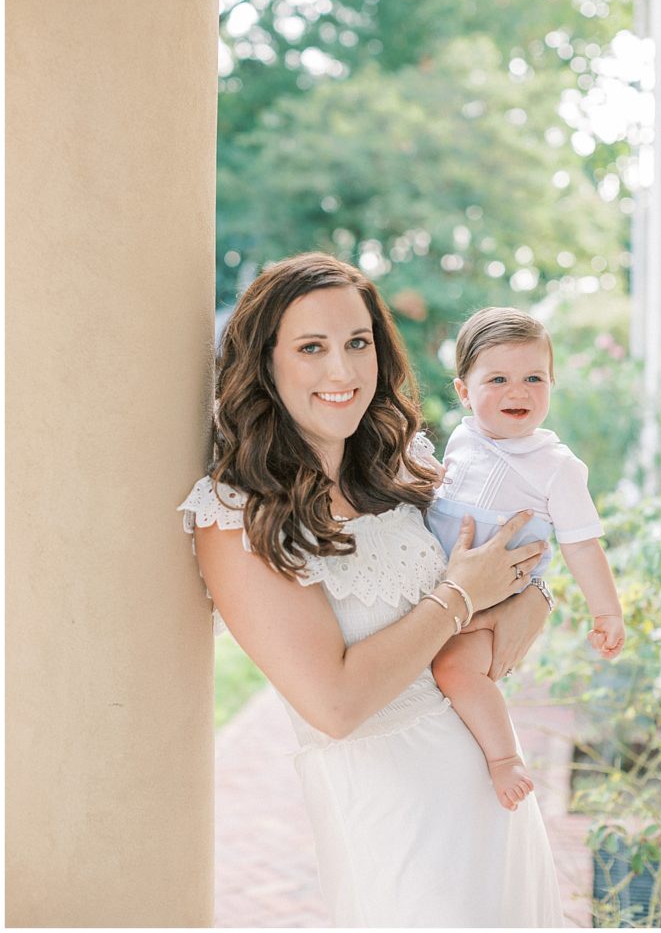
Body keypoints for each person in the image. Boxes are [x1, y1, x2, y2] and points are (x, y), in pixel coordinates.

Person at [178, 254, 564, 927]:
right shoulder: (237, 514)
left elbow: (502, 562)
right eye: (311, 348)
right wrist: (460, 600)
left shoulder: (405, 460)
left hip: (496, 802)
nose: (343, 371)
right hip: (398, 825)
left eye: (358, 343)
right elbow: (335, 702)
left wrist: (537, 599)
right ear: (265, 364)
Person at [428, 307, 625, 813]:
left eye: (534, 378)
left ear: (552, 385)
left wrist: (607, 611)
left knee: (454, 670)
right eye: (498, 378)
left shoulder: (557, 467)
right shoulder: (461, 439)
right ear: (464, 392)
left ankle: (504, 759)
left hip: (493, 609)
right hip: (438, 595)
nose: (519, 391)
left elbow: (581, 543)